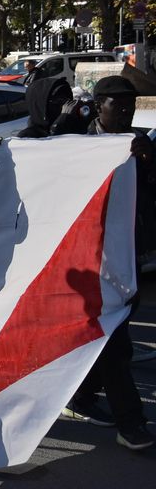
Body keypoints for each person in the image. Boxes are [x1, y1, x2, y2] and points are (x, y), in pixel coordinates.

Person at [62, 75, 154, 450]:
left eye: (131, 104)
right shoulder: (79, 145)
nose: (127, 111)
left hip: (127, 257)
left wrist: (148, 164)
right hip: (88, 262)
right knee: (115, 343)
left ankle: (80, 397)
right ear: (98, 106)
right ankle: (131, 424)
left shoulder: (142, 145)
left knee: (109, 337)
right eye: (118, 104)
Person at [17, 77, 88, 138]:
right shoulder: (27, 136)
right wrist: (62, 120)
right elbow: (53, 146)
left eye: (66, 99)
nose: (64, 105)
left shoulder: (71, 124)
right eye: (58, 100)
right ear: (41, 104)